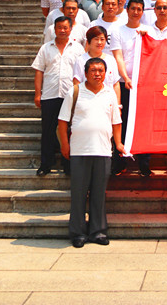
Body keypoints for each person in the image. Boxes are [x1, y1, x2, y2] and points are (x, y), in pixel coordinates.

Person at [57, 57, 124, 247]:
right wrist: (64, 145)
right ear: (86, 73)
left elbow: (116, 122)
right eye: (93, 70)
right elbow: (62, 121)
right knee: (79, 193)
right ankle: (77, 233)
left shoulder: (110, 93)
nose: (97, 74)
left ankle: (98, 231)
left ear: (106, 73)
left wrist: (118, 143)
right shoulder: (75, 91)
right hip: (79, 150)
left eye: (101, 70)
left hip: (103, 151)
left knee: (99, 194)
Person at [31, 15, 85, 176]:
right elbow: (39, 72)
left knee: (70, 131)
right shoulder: (45, 48)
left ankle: (68, 165)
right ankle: (46, 164)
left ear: (70, 29)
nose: (62, 30)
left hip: (70, 95)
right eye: (59, 28)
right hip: (50, 94)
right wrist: (37, 94)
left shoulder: (78, 49)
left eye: (65, 27)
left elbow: (82, 73)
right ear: (54, 29)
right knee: (48, 130)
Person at [109, 0, 151, 177]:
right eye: (133, 8)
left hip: (144, 84)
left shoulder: (148, 30)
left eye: (139, 9)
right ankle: (120, 162)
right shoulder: (118, 31)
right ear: (127, 10)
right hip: (123, 83)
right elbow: (118, 56)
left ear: (142, 12)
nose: (136, 12)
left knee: (144, 123)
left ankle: (144, 164)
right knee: (122, 121)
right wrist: (125, 77)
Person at [72, 25, 120, 100]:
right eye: (96, 39)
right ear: (89, 41)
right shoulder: (81, 60)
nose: (99, 42)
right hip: (86, 101)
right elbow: (76, 83)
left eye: (102, 39)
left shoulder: (111, 60)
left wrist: (117, 104)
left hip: (107, 101)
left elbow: (115, 84)